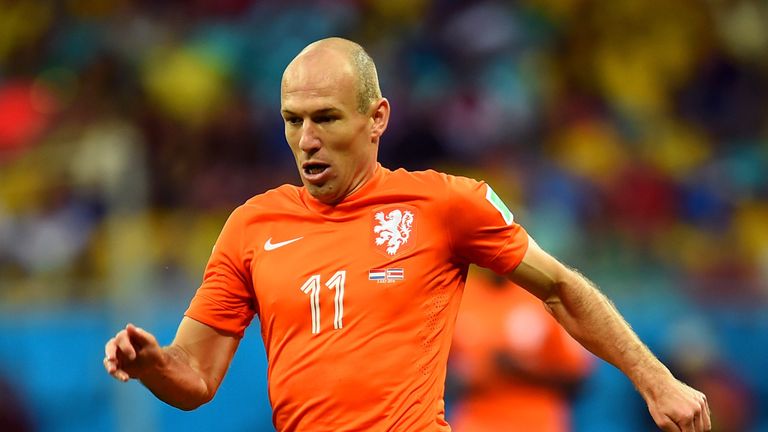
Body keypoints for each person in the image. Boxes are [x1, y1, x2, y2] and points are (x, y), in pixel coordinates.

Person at [104, 37, 711, 431]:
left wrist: (657, 381)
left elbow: (559, 287)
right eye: (293, 120)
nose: (306, 140)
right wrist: (155, 363)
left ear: (377, 120)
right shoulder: (251, 226)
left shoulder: (444, 204)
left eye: (326, 119)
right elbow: (197, 380)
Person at [447, 268, 593, 431]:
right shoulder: (456, 296)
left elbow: (577, 380)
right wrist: (467, 377)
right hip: (476, 422)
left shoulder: (543, 295)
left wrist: (522, 370)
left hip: (536, 423)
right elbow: (431, 375)